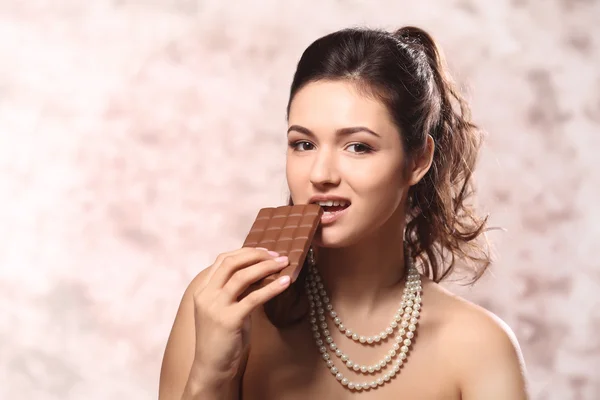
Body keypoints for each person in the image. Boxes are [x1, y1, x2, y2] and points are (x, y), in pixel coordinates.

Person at [158, 26, 529, 399]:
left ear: (418, 160)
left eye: (357, 147)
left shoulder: (480, 349)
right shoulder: (220, 303)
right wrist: (210, 374)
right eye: (303, 144)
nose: (320, 174)